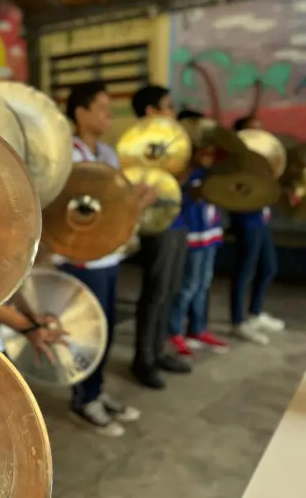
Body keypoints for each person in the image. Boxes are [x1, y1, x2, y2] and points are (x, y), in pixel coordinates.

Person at [50, 81, 154, 437]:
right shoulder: (68, 154)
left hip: (108, 256)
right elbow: (62, 206)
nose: (109, 115)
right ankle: (83, 400)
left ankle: (96, 391)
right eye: (102, 108)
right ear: (80, 113)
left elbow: (116, 201)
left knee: (106, 328)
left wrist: (136, 201)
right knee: (85, 334)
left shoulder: (107, 153)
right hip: (80, 257)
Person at [130, 85, 192, 390]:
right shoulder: (138, 146)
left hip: (178, 220)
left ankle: (158, 350)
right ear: (151, 112)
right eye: (167, 106)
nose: (173, 112)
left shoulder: (171, 143)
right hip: (158, 223)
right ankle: (143, 359)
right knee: (155, 291)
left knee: (170, 289)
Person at [167, 111, 229, 357]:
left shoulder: (211, 171)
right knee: (188, 285)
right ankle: (174, 331)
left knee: (204, 283)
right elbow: (176, 197)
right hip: (192, 234)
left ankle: (198, 329)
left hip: (210, 232)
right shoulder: (183, 170)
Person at [228, 115, 284, 345]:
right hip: (246, 220)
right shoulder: (235, 162)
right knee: (245, 270)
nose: (260, 135)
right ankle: (238, 322)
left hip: (261, 219)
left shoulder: (264, 159)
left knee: (269, 267)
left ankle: (256, 312)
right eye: (253, 130)